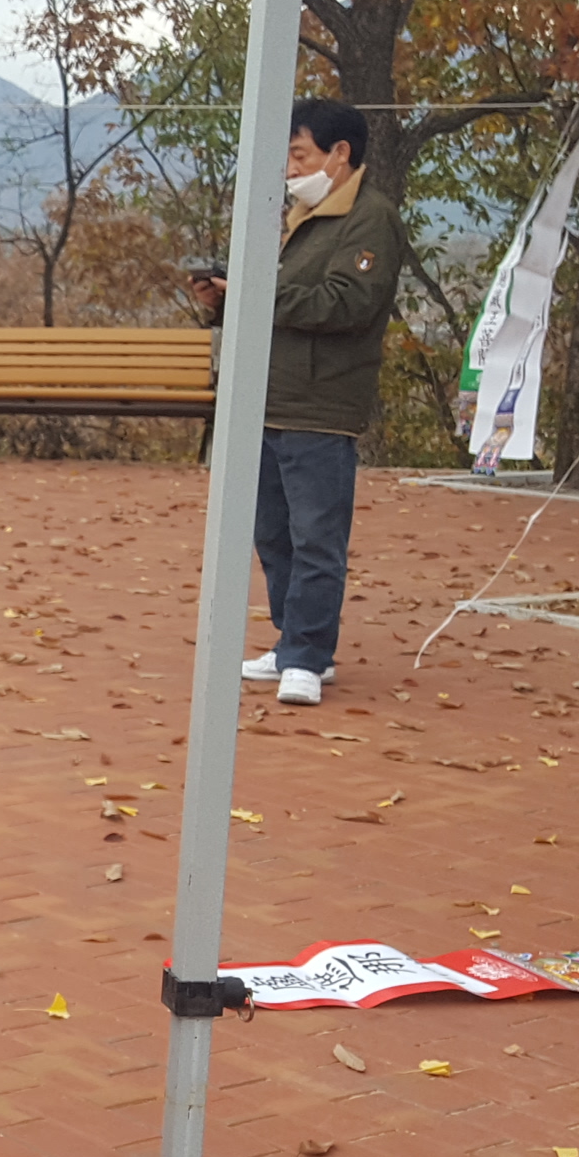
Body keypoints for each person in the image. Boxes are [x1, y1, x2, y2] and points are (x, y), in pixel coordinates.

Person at [192, 98, 410, 708]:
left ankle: (309, 658)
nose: (290, 168)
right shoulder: (297, 217)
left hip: (321, 405)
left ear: (340, 154)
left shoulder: (371, 219)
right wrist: (225, 302)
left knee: (317, 538)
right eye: (288, 156)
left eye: (299, 154)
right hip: (265, 400)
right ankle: (292, 642)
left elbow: (346, 304)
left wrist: (254, 292)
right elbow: (279, 304)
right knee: (273, 535)